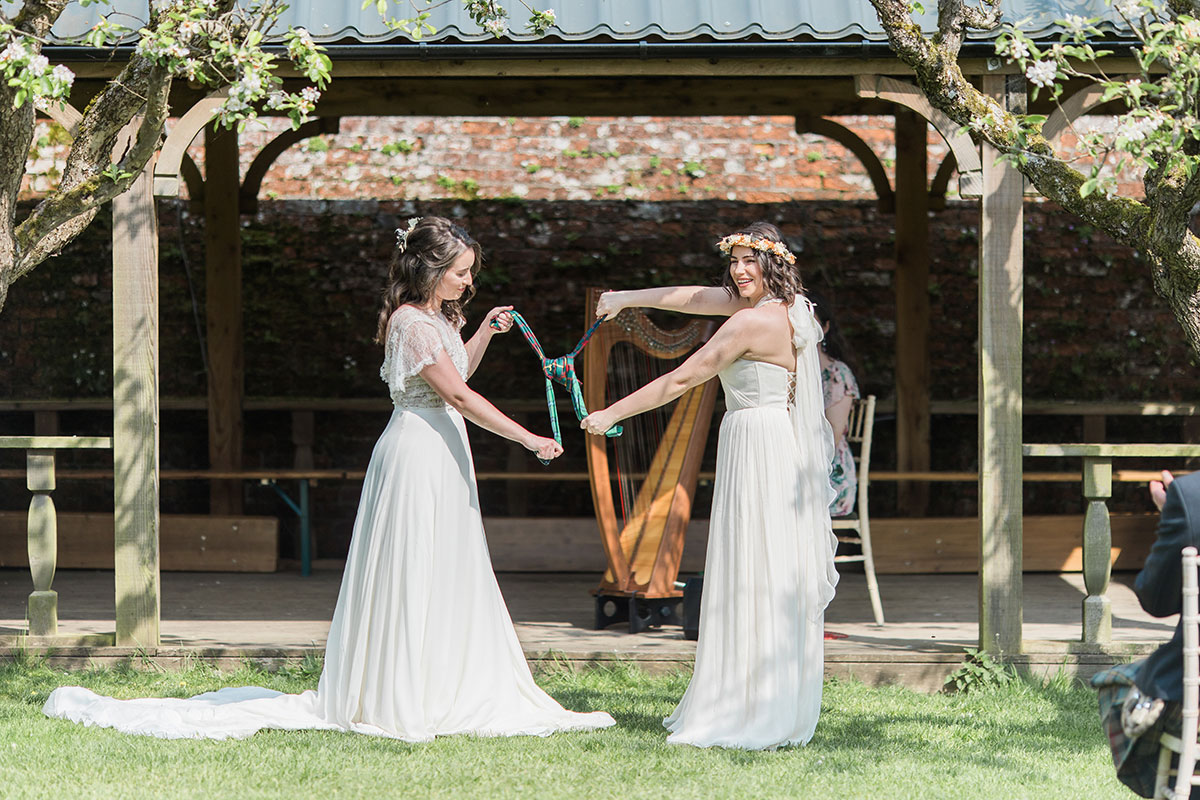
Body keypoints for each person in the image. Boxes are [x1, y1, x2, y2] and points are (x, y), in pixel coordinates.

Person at [43, 216, 615, 741]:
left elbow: (457, 372)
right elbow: (459, 396)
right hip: (417, 451)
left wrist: (485, 330)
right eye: (461, 272)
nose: (469, 282)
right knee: (412, 562)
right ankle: (399, 690)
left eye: (470, 273)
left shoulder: (441, 319)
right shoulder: (410, 322)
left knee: (447, 562)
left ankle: (443, 682)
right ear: (430, 269)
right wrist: (528, 438)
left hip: (445, 449)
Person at [581, 220, 838, 750]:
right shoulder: (792, 310)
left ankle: (748, 706)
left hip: (756, 444)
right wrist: (625, 299)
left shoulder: (749, 324)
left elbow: (682, 378)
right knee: (764, 565)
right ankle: (767, 700)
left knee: (753, 567)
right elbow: (696, 297)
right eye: (734, 261)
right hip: (772, 443)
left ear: (773, 264)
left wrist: (611, 413)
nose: (739, 271)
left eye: (750, 261)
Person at [1092, 469, 1200, 797]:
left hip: (1192, 699)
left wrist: (1177, 514)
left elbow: (1155, 600)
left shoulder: (1192, 494)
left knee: (1116, 684)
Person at [807, 290, 861, 517]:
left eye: (811, 323)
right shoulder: (785, 371)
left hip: (828, 471)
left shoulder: (837, 374)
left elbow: (833, 435)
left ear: (825, 328)